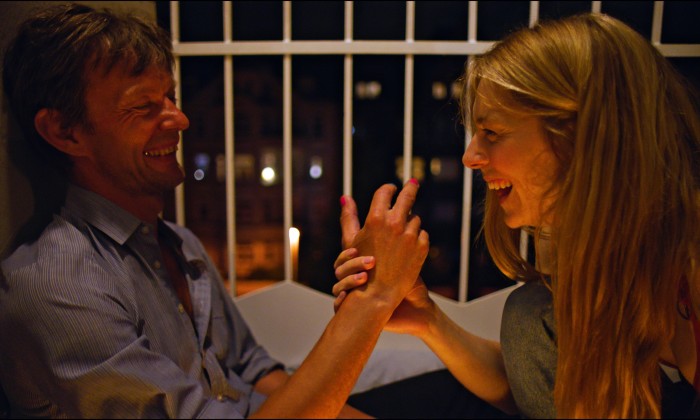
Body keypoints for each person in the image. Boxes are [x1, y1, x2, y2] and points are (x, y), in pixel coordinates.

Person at [0, 3, 430, 418]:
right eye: (144, 106)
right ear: (64, 131)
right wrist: (372, 298)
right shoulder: (56, 286)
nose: (180, 119)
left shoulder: (179, 243)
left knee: (445, 391)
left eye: (170, 97)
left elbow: (256, 372)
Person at [334, 12, 700, 418]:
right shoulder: (601, 270)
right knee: (529, 316)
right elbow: (535, 388)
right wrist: (427, 320)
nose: (470, 157)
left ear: (580, 137)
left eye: (492, 133)